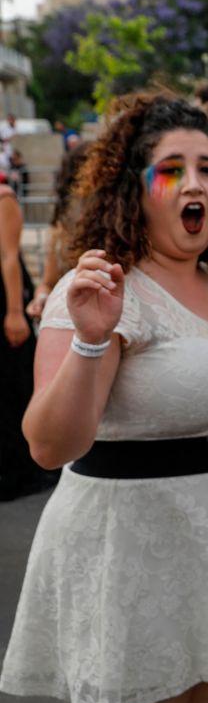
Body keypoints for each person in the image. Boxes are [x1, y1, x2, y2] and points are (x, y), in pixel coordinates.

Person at [0, 93, 208, 703]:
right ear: (135, 187)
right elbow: (49, 444)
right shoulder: (99, 289)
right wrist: (91, 342)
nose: (194, 182)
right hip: (133, 552)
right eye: (172, 168)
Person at [0, 180, 49, 501]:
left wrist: (15, 311)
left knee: (9, 386)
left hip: (4, 301)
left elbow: (9, 256)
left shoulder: (3, 198)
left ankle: (15, 467)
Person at [26, 142, 91, 322]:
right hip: (71, 323)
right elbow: (48, 282)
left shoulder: (126, 228)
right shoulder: (62, 227)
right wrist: (41, 299)